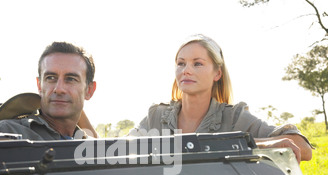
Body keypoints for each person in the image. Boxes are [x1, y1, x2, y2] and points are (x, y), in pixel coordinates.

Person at [130, 34, 312, 163]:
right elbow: (118, 149)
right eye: (181, 63)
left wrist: (257, 144)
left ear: (217, 73)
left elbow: (303, 149)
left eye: (198, 63)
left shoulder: (234, 118)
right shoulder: (156, 116)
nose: (186, 70)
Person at [0, 41, 97, 140]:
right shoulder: (6, 133)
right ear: (39, 86)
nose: (59, 89)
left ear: (89, 90)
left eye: (70, 79)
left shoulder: (91, 147)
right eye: (50, 78)